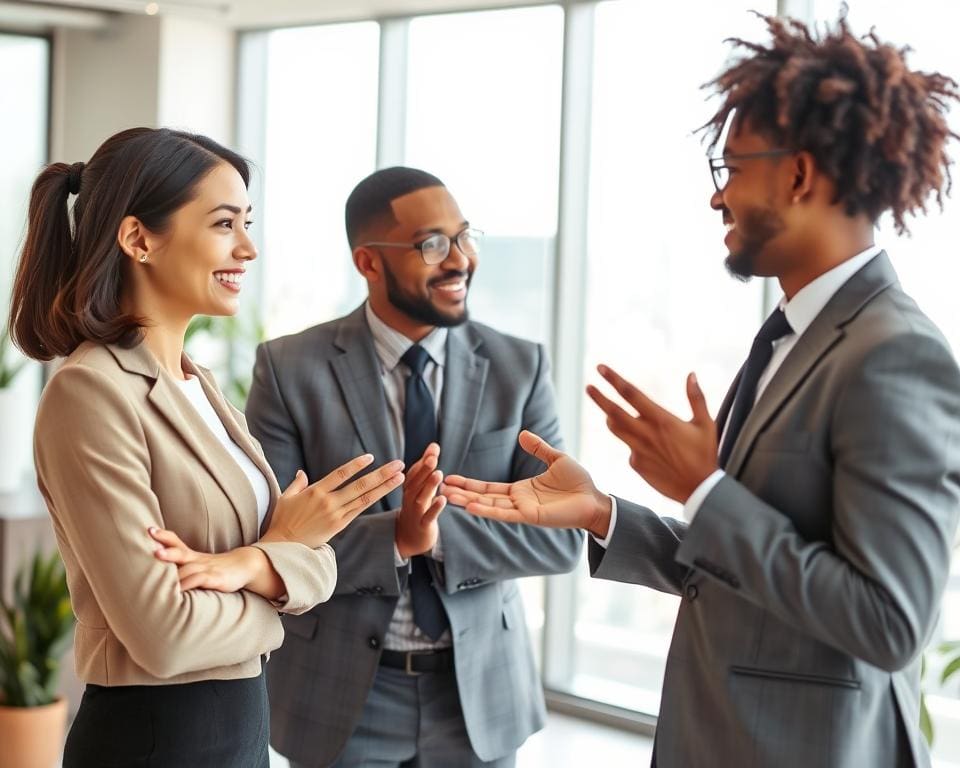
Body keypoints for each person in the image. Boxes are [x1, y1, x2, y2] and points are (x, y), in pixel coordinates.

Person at [442, 14, 960, 768]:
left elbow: (889, 622)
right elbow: (736, 565)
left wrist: (705, 488)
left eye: (734, 168)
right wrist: (602, 513)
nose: (720, 198)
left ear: (799, 176)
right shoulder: (790, 336)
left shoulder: (895, 355)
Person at [7, 127, 404, 767]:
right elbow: (164, 635)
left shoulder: (198, 384)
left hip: (239, 731)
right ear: (139, 239)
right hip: (154, 741)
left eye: (247, 223)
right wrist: (279, 572)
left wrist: (254, 562)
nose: (248, 247)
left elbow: (319, 562)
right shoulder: (90, 392)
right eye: (224, 224)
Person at [245, 166, 583, 767]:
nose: (460, 260)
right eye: (432, 244)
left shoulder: (520, 367)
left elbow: (560, 539)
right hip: (342, 696)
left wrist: (435, 532)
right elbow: (271, 541)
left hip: (479, 694)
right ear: (369, 263)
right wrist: (396, 538)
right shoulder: (289, 369)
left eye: (464, 236)